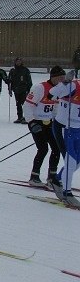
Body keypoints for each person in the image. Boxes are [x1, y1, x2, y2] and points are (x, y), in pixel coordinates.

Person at [23, 66, 64, 188]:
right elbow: (27, 105)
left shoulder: (59, 90)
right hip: (36, 122)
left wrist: (57, 121)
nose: (62, 81)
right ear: (53, 77)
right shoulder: (40, 88)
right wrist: (31, 122)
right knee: (43, 148)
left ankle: (52, 177)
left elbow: (55, 107)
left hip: (49, 123)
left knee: (56, 148)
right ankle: (34, 176)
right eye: (60, 78)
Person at [48, 71, 80, 206]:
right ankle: (67, 193)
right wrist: (65, 83)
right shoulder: (74, 85)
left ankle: (56, 180)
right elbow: (51, 93)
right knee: (71, 162)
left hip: (78, 129)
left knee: (77, 162)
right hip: (64, 128)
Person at [8, 57, 32, 124]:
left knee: (25, 104)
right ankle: (19, 117)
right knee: (18, 104)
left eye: (19, 61)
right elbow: (10, 81)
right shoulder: (12, 70)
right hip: (16, 89)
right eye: (17, 61)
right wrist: (10, 89)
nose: (18, 63)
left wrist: (29, 89)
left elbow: (29, 80)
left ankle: (26, 118)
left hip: (24, 89)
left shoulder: (25, 70)